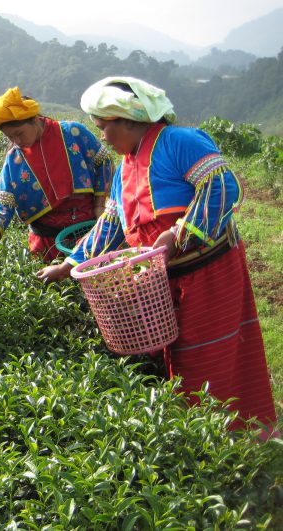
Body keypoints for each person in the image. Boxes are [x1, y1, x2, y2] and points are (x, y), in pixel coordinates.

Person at [38, 76, 279, 439]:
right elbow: (113, 221)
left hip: (209, 272)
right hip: (165, 279)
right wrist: (69, 264)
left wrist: (178, 234)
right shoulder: (126, 166)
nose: (102, 137)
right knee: (178, 358)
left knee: (210, 357)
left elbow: (222, 186)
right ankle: (208, 439)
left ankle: (240, 437)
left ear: (130, 121)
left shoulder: (180, 141)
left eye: (105, 127)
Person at [0, 87, 114, 261]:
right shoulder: (15, 158)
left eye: (19, 134)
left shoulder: (73, 133)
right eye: (10, 138)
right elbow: (4, 199)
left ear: (34, 119)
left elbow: (104, 161)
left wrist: (100, 205)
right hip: (46, 241)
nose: (17, 142)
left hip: (89, 230)